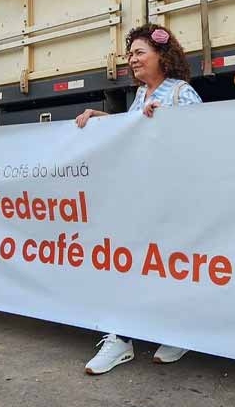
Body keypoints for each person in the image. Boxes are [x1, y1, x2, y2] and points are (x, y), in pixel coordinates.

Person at [75, 23, 203, 374]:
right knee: (132, 266)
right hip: (140, 201)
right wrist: (101, 120)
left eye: (139, 53)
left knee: (170, 268)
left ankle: (177, 331)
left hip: (172, 202)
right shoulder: (141, 98)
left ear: (162, 56)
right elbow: (131, 132)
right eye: (130, 54)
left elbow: (202, 140)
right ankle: (121, 337)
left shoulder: (181, 93)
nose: (131, 60)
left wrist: (168, 122)